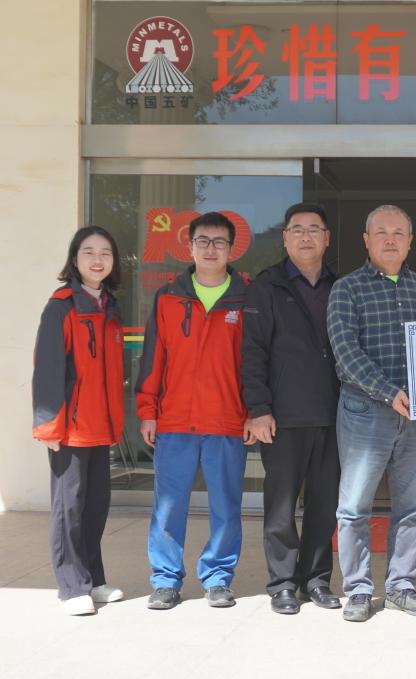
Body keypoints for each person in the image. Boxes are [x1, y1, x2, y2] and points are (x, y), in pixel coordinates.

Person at [327, 204, 416, 623]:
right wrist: (389, 392)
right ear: (366, 240)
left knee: (412, 504)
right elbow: (346, 353)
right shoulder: (347, 289)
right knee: (354, 506)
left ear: (410, 241)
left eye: (398, 233)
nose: (390, 240)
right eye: (381, 232)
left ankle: (401, 587)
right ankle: (358, 590)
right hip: (364, 413)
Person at [137, 211, 251, 611]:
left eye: (219, 242)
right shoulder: (168, 297)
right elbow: (153, 358)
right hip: (175, 420)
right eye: (203, 241)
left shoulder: (247, 298)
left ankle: (218, 578)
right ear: (190, 247)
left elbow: (254, 363)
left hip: (227, 420)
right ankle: (165, 580)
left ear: (231, 249)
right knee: (168, 506)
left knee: (226, 506)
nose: (210, 249)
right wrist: (148, 410)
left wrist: (253, 411)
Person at [242, 203, 341, 614]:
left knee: (324, 504)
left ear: (326, 238)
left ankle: (316, 579)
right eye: (297, 229)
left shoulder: (342, 287)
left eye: (314, 229)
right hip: (282, 416)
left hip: (334, 415)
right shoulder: (266, 287)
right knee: (281, 506)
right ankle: (282, 583)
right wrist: (259, 408)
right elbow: (252, 352)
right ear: (285, 238)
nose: (305, 236)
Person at [32, 226, 125, 616]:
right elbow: (47, 369)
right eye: (89, 252)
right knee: (68, 508)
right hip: (70, 428)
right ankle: (71, 588)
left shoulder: (109, 306)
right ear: (74, 259)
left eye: (105, 252)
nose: (97, 259)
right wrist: (48, 426)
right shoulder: (62, 305)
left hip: (100, 426)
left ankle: (93, 580)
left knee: (95, 506)